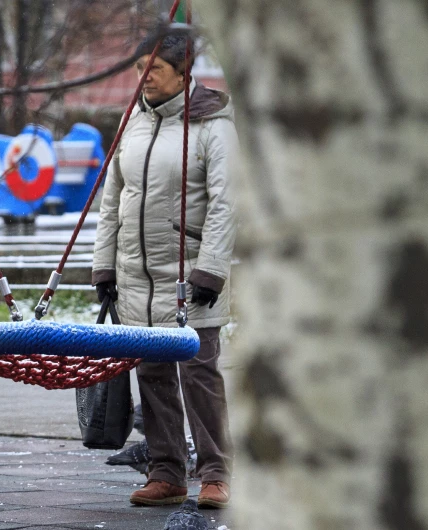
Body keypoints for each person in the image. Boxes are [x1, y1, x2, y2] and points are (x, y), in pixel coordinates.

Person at [92, 34, 238, 508]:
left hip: (190, 274)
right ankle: (167, 471)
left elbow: (225, 204)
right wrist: (104, 266)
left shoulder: (213, 125)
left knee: (198, 374)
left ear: (182, 72)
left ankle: (216, 473)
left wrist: (210, 269)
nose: (145, 76)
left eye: (155, 67)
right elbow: (112, 200)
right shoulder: (132, 121)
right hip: (136, 275)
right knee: (152, 373)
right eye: (139, 68)